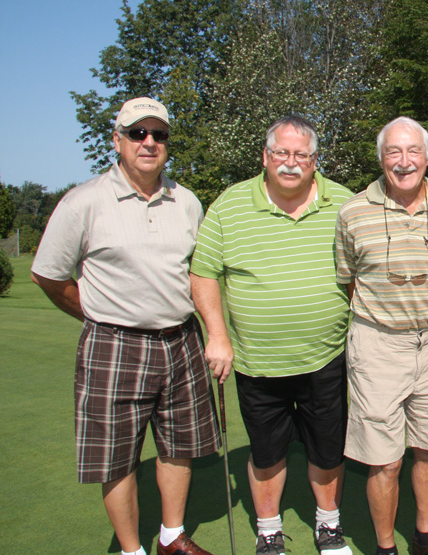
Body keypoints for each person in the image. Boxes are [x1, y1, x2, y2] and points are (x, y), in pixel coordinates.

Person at [30, 96, 219, 555]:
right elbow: (48, 275)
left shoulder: (187, 201)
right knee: (116, 457)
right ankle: (133, 549)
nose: (149, 142)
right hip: (114, 344)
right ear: (118, 140)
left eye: (159, 134)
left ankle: (171, 537)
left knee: (179, 445)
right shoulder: (84, 201)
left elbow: (199, 273)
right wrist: (94, 313)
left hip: (180, 339)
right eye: (138, 133)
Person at [189, 115, 354, 555]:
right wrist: (217, 336)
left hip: (328, 356)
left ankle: (329, 525)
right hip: (257, 361)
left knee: (327, 448)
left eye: (301, 154)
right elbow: (203, 272)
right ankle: (268, 530)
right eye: (281, 152)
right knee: (266, 452)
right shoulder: (229, 204)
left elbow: (366, 269)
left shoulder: (345, 203)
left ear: (315, 161)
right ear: (265, 156)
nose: (290, 162)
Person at [335, 117, 428, 555]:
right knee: (385, 459)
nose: (404, 161)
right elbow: (347, 279)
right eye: (394, 151)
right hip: (376, 345)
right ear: (381, 158)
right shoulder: (353, 211)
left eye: (413, 151)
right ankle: (386, 546)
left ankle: (426, 537)